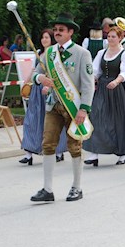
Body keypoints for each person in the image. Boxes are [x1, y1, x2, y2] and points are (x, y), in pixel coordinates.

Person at [29, 12, 95, 203]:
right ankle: (47, 189)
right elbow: (36, 73)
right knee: (48, 144)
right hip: (53, 105)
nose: (57, 33)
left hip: (73, 107)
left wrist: (84, 109)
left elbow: (88, 84)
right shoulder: (49, 53)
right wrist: (39, 78)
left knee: (74, 146)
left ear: (70, 32)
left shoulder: (82, 53)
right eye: (55, 30)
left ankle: (76, 187)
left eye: (61, 30)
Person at [83, 22, 125, 166]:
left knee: (118, 121)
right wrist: (92, 81)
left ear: (119, 38)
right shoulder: (102, 53)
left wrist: (116, 81)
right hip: (103, 89)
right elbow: (95, 71)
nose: (110, 39)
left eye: (113, 37)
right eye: (109, 36)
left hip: (118, 90)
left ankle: (122, 153)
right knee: (96, 117)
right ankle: (94, 153)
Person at [20, 29, 67, 165]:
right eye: (42, 37)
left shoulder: (55, 54)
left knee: (53, 122)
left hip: (50, 91)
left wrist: (50, 86)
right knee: (31, 121)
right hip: (37, 90)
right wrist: (26, 82)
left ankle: (58, 152)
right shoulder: (39, 54)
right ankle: (28, 153)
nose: (44, 40)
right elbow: (35, 70)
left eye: (46, 37)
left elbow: (58, 73)